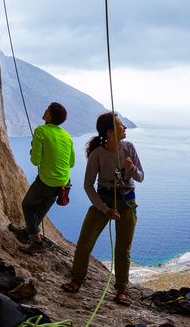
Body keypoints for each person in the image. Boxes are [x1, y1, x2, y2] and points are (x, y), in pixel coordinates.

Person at [63, 112, 144, 305]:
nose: (124, 128)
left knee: (123, 250)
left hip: (126, 203)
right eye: (120, 125)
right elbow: (88, 185)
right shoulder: (97, 154)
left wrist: (131, 168)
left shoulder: (129, 148)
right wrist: (103, 208)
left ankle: (121, 290)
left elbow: (140, 177)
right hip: (103, 202)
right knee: (84, 244)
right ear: (110, 132)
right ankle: (76, 280)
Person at [18, 102, 75, 253]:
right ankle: (27, 232)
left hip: (46, 182)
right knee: (40, 210)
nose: (45, 110)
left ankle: (37, 242)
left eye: (47, 109)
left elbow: (35, 161)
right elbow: (72, 163)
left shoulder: (41, 131)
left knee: (27, 205)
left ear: (49, 114)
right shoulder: (67, 136)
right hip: (63, 183)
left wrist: (36, 153)